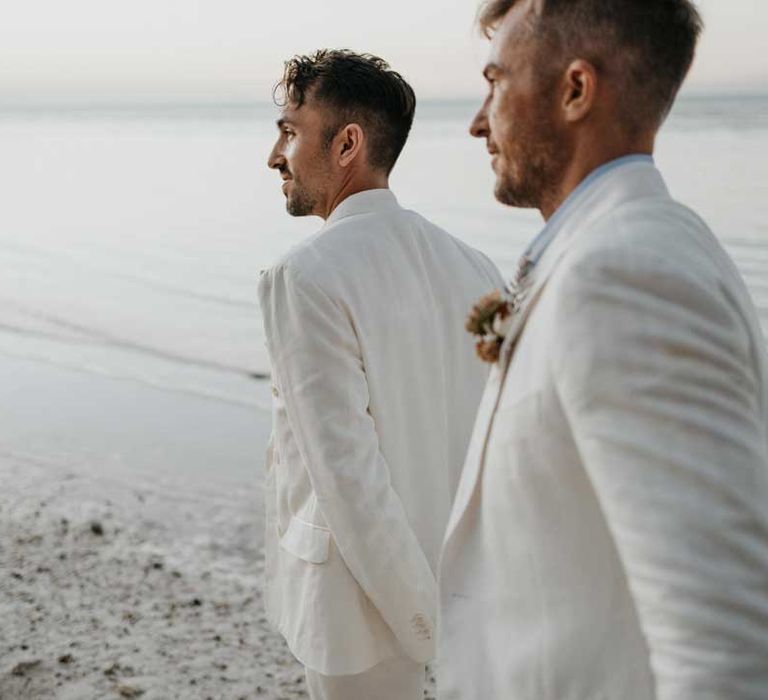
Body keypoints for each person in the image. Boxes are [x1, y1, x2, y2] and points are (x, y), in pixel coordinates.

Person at [438, 1, 768, 698]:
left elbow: (721, 635)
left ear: (576, 90)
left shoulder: (626, 274)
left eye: (496, 81)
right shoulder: (627, 249)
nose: (477, 121)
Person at [258, 49, 502, 700]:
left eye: (289, 131)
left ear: (346, 144)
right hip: (466, 592)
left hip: (363, 610)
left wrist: (424, 624)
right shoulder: (474, 264)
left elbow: (349, 481)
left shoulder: (304, 278)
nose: (274, 156)